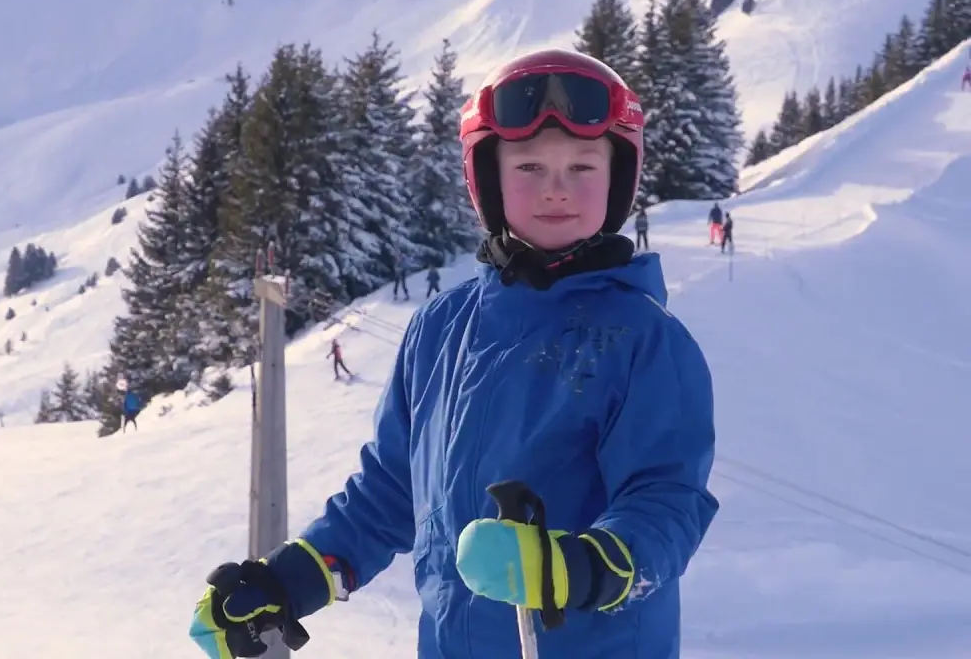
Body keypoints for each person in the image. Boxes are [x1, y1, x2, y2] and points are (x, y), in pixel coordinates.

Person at [189, 49, 717, 659]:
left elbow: (666, 500)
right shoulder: (440, 328)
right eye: (528, 167)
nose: (556, 190)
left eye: (582, 166)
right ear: (487, 179)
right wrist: (287, 582)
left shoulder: (645, 341)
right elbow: (389, 493)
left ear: (617, 178)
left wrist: (576, 568)